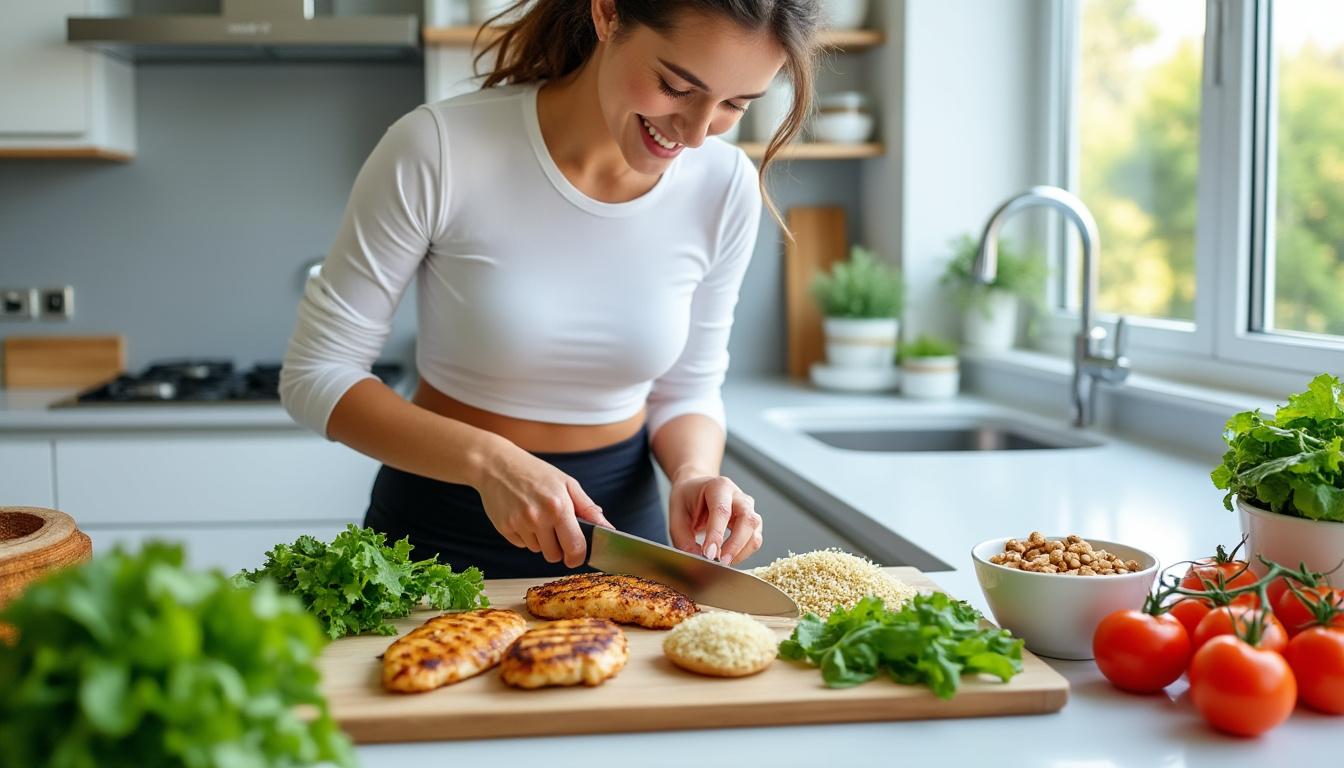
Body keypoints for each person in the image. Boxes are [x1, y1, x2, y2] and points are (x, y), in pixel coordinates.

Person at [279, 0, 820, 578]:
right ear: (608, 14)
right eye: (676, 86)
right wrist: (489, 462)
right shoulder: (436, 148)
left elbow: (687, 388)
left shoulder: (725, 185)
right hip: (435, 535)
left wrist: (692, 473)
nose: (694, 135)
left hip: (620, 536)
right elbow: (316, 375)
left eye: (735, 104)